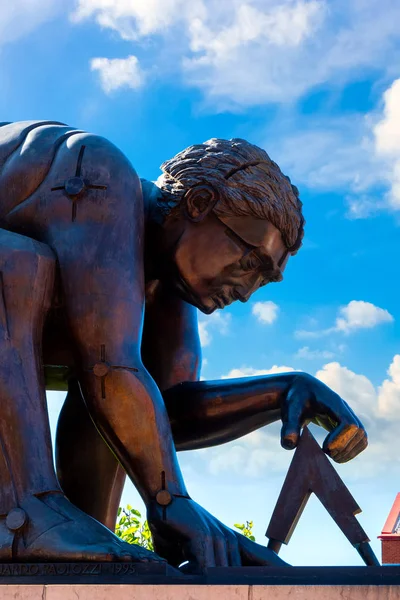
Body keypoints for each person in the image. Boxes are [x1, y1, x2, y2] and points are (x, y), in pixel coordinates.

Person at [0, 121, 367, 569]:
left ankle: (82, 536)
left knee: (121, 392)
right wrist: (170, 500)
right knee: (15, 267)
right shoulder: (100, 174)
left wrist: (283, 391)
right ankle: (21, 518)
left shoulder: (163, 283)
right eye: (249, 262)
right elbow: (108, 369)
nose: (247, 292)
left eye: (263, 280)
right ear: (199, 203)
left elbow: (157, 412)